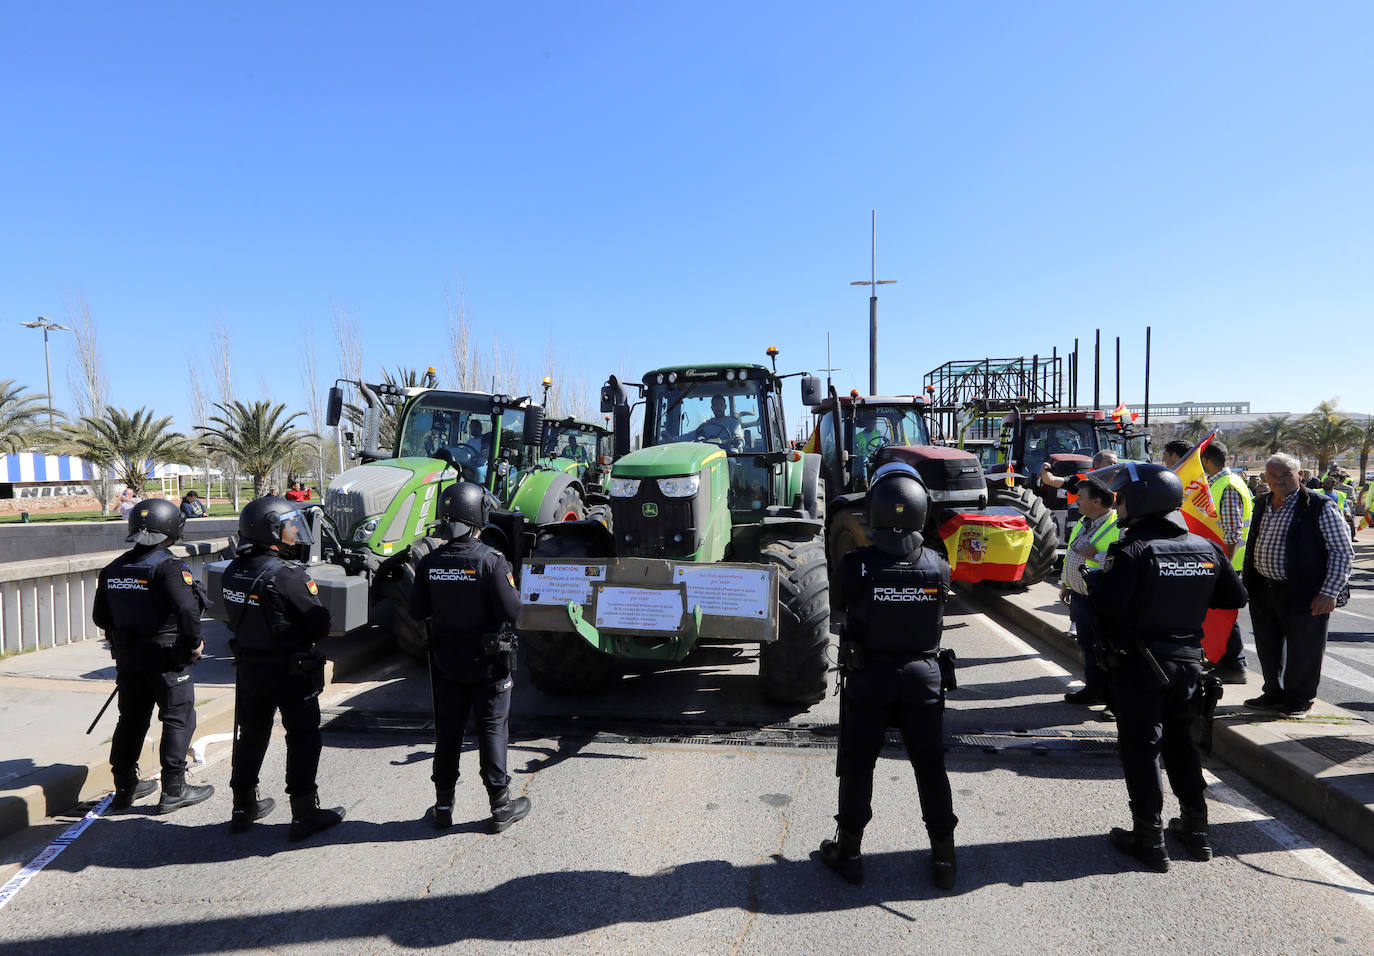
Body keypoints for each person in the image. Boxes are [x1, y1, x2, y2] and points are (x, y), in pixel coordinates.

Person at [1087, 462, 1247, 872]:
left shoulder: (1131, 549)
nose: (1117, 504)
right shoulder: (1205, 547)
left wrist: (1095, 580)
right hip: (1189, 665)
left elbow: (1109, 605)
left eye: (1121, 498)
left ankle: (1149, 838)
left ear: (1140, 502)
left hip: (1140, 665)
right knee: (1182, 745)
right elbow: (1234, 596)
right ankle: (1197, 830)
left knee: (1142, 750)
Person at [821, 462, 958, 890]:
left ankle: (851, 851)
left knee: (859, 765)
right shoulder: (938, 565)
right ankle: (944, 857)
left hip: (870, 677)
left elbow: (839, 606)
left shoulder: (857, 564)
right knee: (931, 767)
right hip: (923, 678)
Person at [408, 482, 531, 833]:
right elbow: (514, 611)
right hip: (489, 665)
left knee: (449, 732)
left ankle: (443, 806)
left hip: (447, 664)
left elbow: (418, 611)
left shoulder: (430, 561)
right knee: (492, 728)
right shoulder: (492, 560)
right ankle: (501, 806)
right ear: (478, 515)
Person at [221, 496, 344, 839]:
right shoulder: (287, 575)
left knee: (251, 736)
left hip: (250, 668)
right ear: (271, 532)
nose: (294, 531)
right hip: (290, 671)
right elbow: (318, 624)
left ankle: (243, 806)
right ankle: (304, 813)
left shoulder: (233, 570)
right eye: (288, 525)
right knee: (303, 738)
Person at [93, 498, 214, 813]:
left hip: (129, 658)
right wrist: (193, 644)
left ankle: (125, 788)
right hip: (166, 657)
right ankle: (174, 789)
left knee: (131, 720)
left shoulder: (112, 569)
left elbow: (100, 618)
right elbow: (188, 609)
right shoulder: (168, 566)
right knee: (178, 717)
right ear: (172, 529)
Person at [1243, 453, 1353, 717]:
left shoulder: (1319, 506)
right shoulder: (1263, 502)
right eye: (1272, 475)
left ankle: (1299, 699)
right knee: (1268, 646)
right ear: (1265, 477)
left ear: (1299, 476)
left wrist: (1329, 593)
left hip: (1305, 591)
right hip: (1264, 588)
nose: (1278, 480)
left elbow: (1342, 551)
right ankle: (1274, 692)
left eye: (1285, 475)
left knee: (1304, 648)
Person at [1060, 477, 1119, 708]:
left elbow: (1124, 563)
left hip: (1100, 600)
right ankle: (1094, 689)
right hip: (1080, 596)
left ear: (1097, 501)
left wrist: (1095, 556)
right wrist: (1066, 583)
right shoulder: (1084, 521)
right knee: (1087, 646)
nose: (1077, 502)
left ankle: (1110, 697)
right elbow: (1072, 553)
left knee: (1105, 648)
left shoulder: (1118, 526)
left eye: (1081, 498)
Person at [1200, 440, 1252, 683]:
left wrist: (1226, 567)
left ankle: (1234, 664)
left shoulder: (1227, 485)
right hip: (1222, 561)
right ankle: (1224, 661)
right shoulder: (1223, 483)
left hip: (1228, 562)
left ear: (1207, 461)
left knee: (1225, 617)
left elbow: (1232, 533)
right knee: (1219, 615)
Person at [1040, 449, 1118, 492]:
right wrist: (1045, 471)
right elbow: (1050, 480)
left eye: (1116, 464)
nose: (1114, 467)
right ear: (1097, 464)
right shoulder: (1081, 480)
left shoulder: (1121, 482)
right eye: (1110, 463)